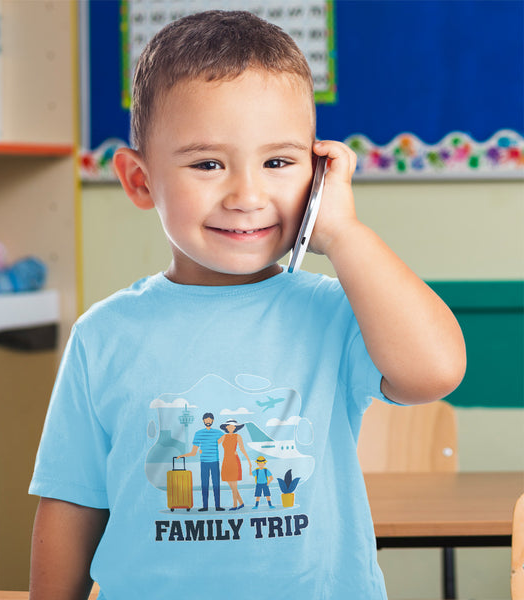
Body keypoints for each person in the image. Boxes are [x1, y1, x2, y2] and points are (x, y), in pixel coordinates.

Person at [29, 10, 466, 600]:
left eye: (279, 163)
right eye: (207, 164)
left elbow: (434, 372)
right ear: (140, 181)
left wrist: (342, 234)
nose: (247, 196)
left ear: (316, 174)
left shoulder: (337, 311)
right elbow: (72, 503)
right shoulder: (103, 334)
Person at [177, 412, 225, 511]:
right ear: (203, 421)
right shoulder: (198, 434)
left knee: (216, 484)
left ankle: (217, 506)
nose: (208, 421)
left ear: (213, 421)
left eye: (209, 419)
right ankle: (205, 506)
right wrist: (182, 456)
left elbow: (225, 437)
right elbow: (193, 452)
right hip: (204, 462)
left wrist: (215, 444)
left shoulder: (217, 432)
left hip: (215, 461)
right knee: (204, 484)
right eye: (206, 419)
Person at [218, 419, 252, 510]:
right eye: (229, 426)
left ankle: (235, 505)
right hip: (226, 461)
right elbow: (214, 444)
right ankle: (241, 503)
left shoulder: (238, 436)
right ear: (226, 427)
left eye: (233, 426)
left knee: (234, 486)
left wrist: (249, 461)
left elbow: (242, 449)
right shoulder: (223, 437)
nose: (231, 428)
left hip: (234, 461)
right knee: (231, 485)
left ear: (235, 428)